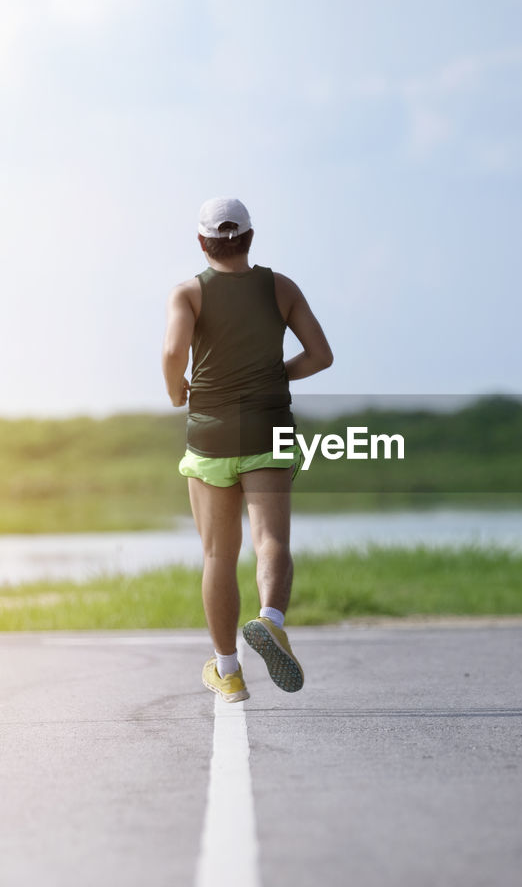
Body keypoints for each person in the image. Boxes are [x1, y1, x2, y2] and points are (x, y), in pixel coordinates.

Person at [161, 197, 333, 702]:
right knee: (271, 539)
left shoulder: (188, 294)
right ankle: (272, 621)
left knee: (218, 553)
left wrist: (177, 391)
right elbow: (321, 355)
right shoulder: (280, 287)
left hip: (210, 435)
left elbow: (174, 352)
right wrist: (277, 373)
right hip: (268, 428)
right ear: (250, 239)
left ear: (201, 242)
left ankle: (228, 671)